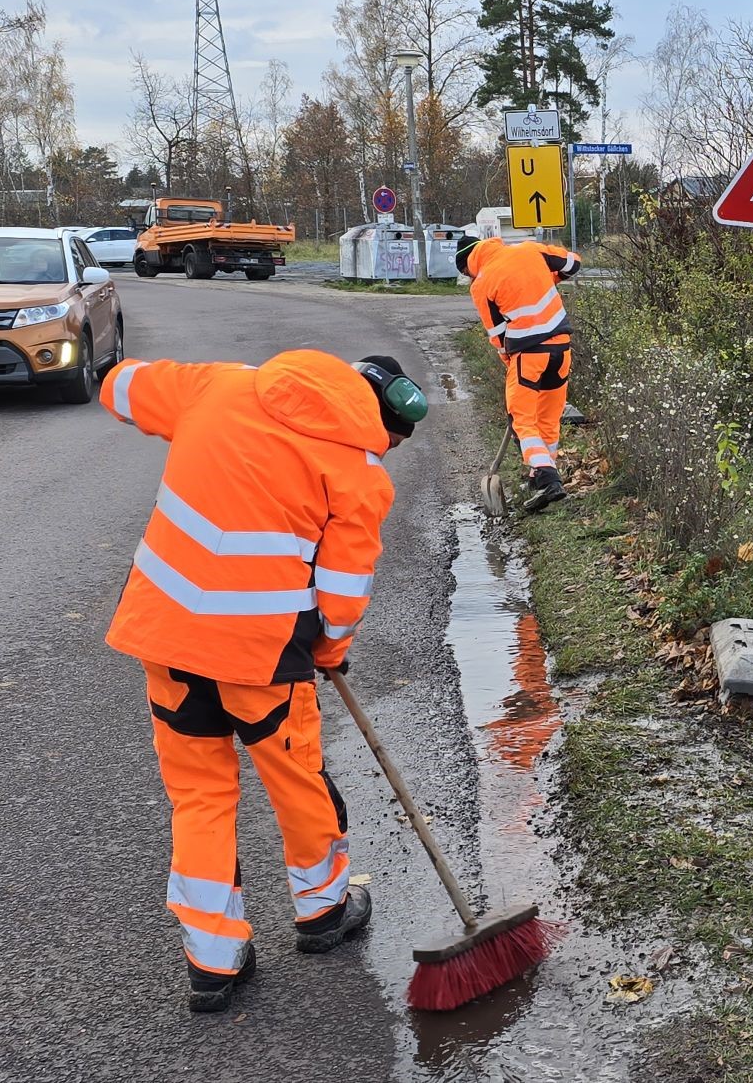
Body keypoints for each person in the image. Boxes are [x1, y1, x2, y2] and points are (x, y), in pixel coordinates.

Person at [99, 349, 428, 1012]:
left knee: (199, 797)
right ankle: (322, 913)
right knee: (297, 781)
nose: (383, 453)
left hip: (165, 635)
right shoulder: (359, 473)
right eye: (387, 443)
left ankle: (213, 962)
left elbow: (120, 387)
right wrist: (332, 650)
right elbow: (342, 593)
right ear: (377, 420)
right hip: (261, 657)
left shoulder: (218, 383)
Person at [456, 232, 582, 512]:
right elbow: (572, 264)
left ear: (468, 264)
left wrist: (509, 363)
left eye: (466, 273)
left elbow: (498, 336)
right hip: (562, 347)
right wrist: (541, 280)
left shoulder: (482, 284)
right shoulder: (530, 251)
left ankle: (548, 479)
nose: (469, 278)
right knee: (548, 418)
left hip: (528, 355)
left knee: (522, 419)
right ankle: (540, 475)